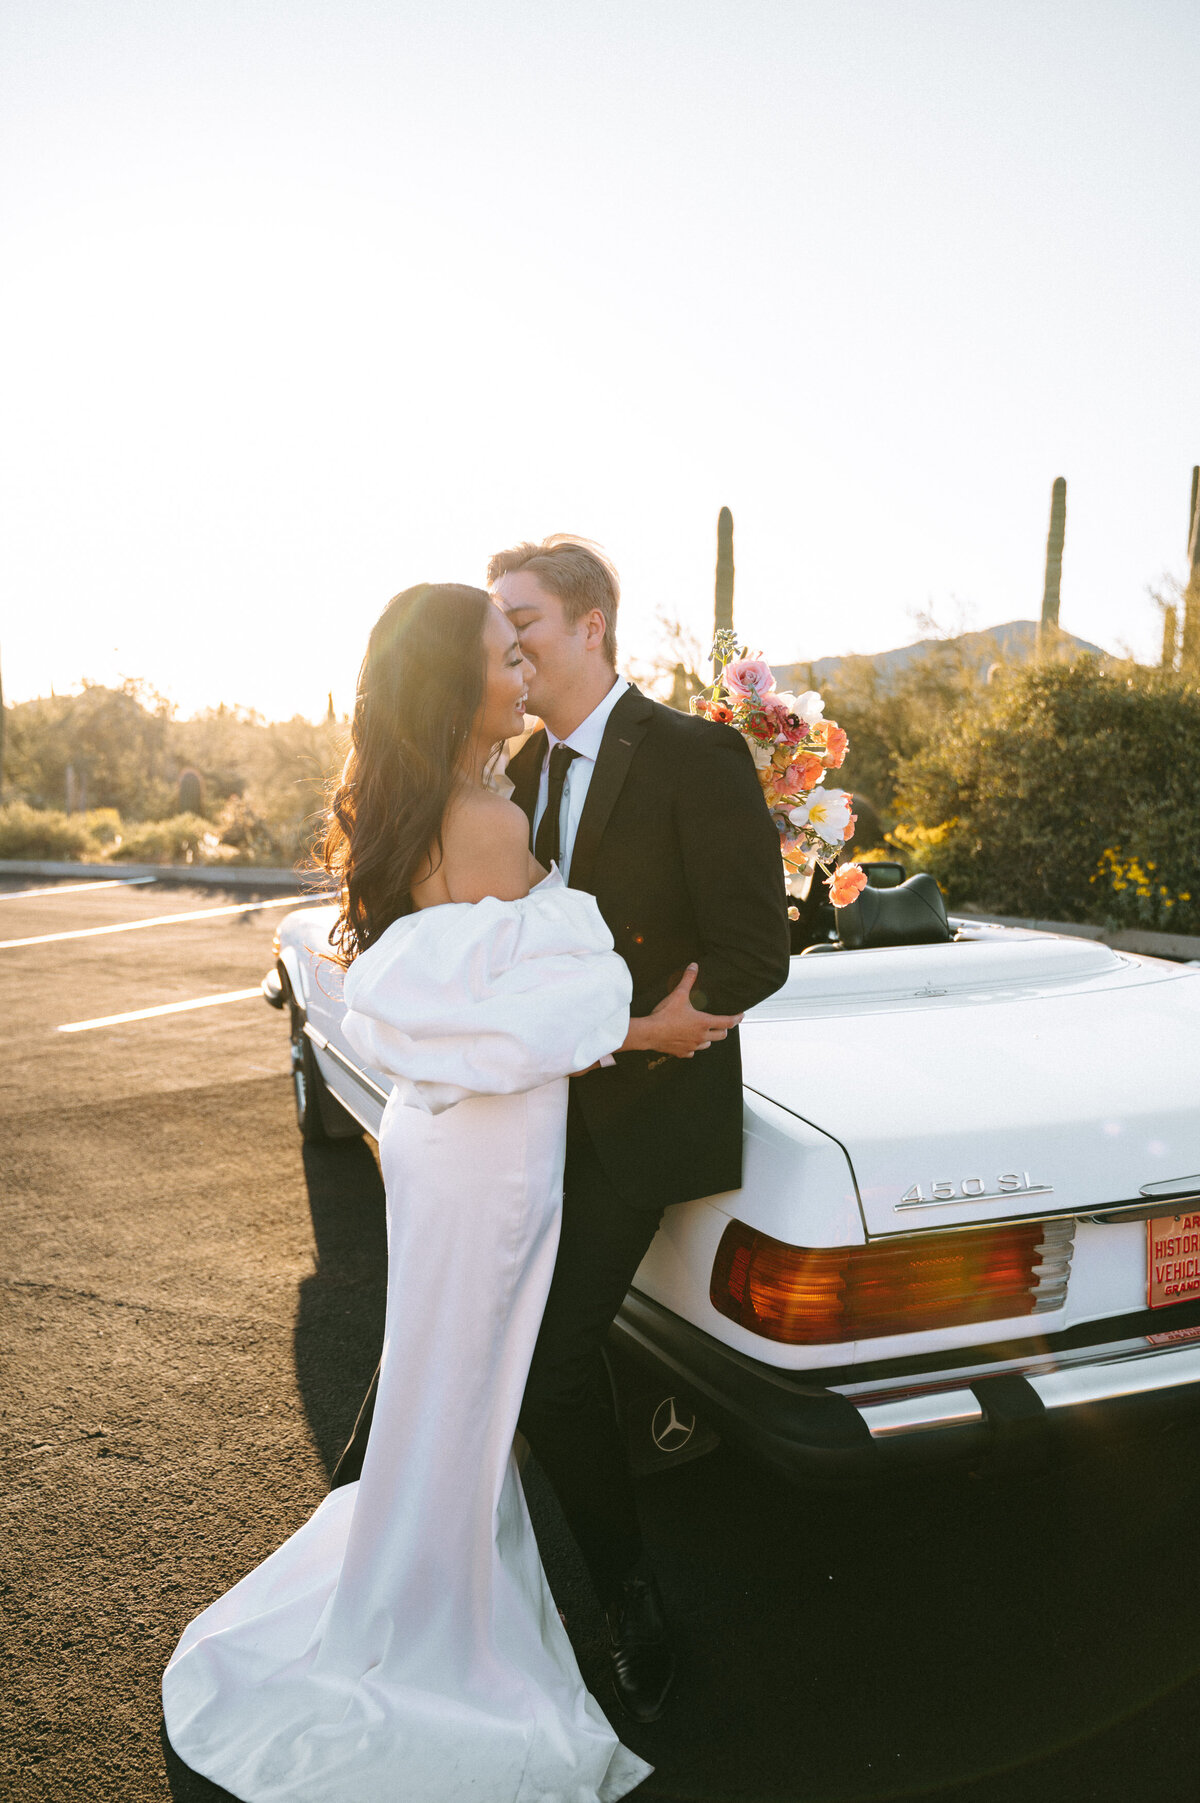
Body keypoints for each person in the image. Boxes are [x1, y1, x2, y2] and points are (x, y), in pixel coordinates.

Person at [162, 583, 655, 1803]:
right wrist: (653, 1016)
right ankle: (434, 1627)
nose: (522, 674)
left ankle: (412, 1576)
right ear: (457, 683)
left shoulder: (427, 803)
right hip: (495, 1139)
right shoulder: (482, 818)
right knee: (466, 1383)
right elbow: (545, 1005)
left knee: (448, 1379)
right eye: (503, 658)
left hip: (451, 1138)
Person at [333, 539, 792, 1724]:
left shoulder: (698, 755)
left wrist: (666, 1024)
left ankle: (627, 1604)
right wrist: (590, 1027)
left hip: (639, 1118)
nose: (513, 639)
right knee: (466, 1317)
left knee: (546, 1354)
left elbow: (754, 948)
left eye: (525, 617)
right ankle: (373, 1517)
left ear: (592, 623)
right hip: (513, 1116)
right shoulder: (501, 775)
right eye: (499, 628)